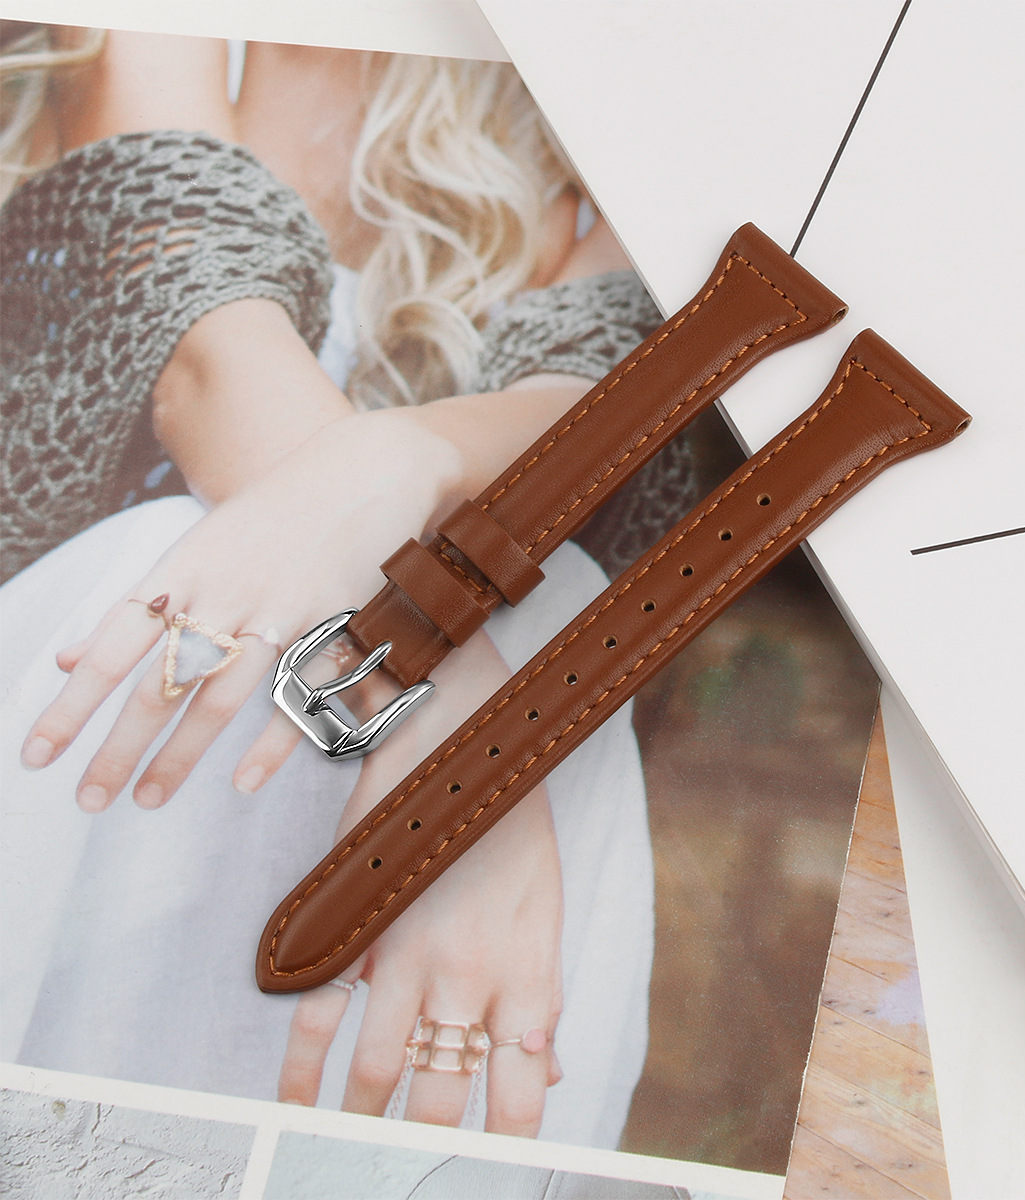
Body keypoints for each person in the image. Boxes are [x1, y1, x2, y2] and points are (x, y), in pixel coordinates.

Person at [1, 27, 681, 1143]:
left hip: (288, 822)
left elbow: (601, 421)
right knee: (185, 559)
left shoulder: (626, 85)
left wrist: (399, 458)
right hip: (75, 740)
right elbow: (206, 350)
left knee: (555, 603)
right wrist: (463, 739)